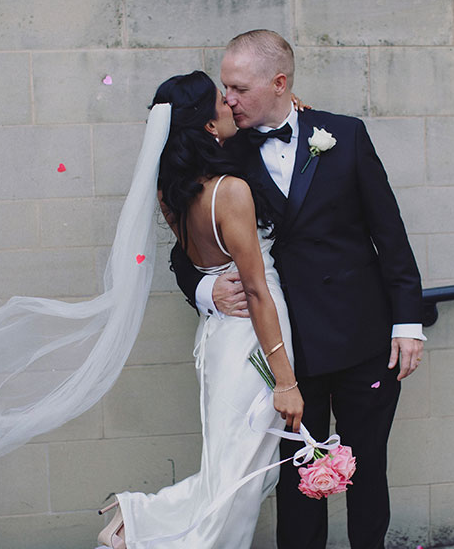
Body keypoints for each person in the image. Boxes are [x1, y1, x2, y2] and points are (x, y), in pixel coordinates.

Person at [0, 70, 306, 549]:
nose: (231, 103)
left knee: (239, 475)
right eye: (221, 102)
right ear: (208, 126)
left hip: (218, 340)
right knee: (237, 483)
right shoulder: (230, 192)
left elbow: (201, 265)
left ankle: (138, 518)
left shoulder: (174, 192)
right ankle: (140, 518)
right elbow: (256, 292)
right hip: (254, 343)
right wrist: (286, 382)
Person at [169, 30, 425, 549]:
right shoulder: (222, 151)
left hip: (362, 341)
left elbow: (389, 233)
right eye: (224, 88)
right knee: (298, 484)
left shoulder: (344, 134)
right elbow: (185, 242)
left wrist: (408, 322)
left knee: (367, 470)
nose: (229, 99)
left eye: (238, 87)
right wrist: (204, 292)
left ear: (279, 82)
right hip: (285, 352)